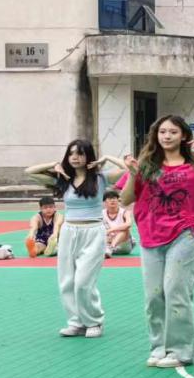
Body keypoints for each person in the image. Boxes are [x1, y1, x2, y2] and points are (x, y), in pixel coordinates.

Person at [121, 115, 194, 367]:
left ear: (184, 135)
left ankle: (181, 351)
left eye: (173, 131)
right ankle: (158, 347)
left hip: (185, 234)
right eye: (162, 131)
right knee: (153, 297)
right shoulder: (146, 166)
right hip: (150, 235)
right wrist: (132, 174)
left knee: (176, 291)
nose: (167, 136)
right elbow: (125, 199)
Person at [25, 141, 126, 338]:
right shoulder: (63, 180)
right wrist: (54, 165)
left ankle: (94, 321)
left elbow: (127, 170)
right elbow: (29, 172)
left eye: (80, 153)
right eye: (71, 154)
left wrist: (107, 158)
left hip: (93, 232)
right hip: (69, 232)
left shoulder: (100, 178)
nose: (75, 157)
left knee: (83, 282)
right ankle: (76, 322)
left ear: (88, 156)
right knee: (67, 282)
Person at [102, 190, 134, 257]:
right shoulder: (101, 214)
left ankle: (111, 247)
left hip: (124, 245)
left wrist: (111, 230)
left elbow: (128, 224)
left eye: (114, 198)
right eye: (109, 198)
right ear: (104, 202)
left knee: (125, 230)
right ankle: (108, 249)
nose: (112, 200)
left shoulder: (125, 212)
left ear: (118, 200)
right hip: (107, 241)